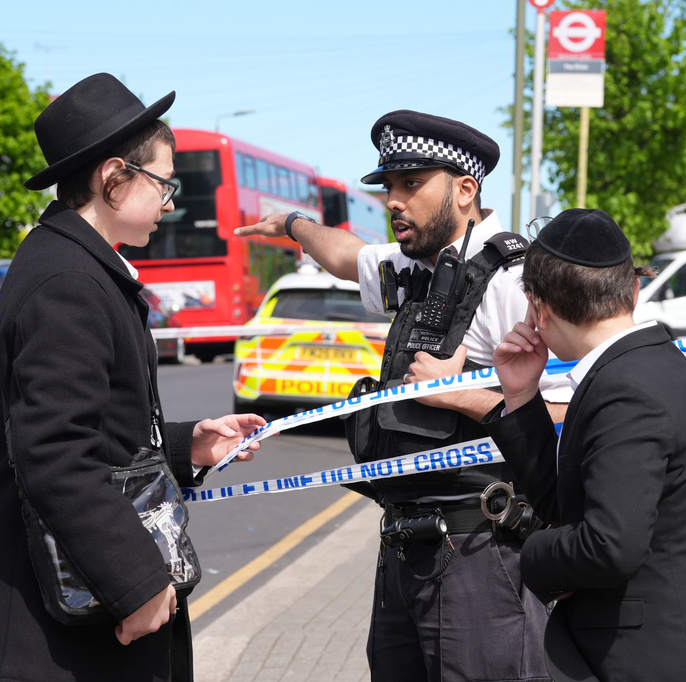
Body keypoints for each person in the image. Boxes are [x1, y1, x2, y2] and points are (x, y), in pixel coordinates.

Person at [0, 73, 266, 682]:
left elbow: (95, 425)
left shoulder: (79, 267)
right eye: (163, 182)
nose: (171, 202)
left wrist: (184, 444)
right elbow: (54, 452)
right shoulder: (67, 282)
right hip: (52, 636)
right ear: (114, 177)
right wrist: (139, 581)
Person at [236, 110, 570, 682]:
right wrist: (293, 224)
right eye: (389, 186)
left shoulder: (517, 283)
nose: (394, 200)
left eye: (412, 184)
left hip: (481, 551)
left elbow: (572, 411)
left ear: (465, 189)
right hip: (404, 548)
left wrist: (462, 395)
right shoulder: (417, 266)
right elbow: (343, 256)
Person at [483, 208, 686, 682]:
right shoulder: (646, 365)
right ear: (633, 291)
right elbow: (572, 508)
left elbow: (610, 545)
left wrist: (533, 555)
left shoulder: (624, 388)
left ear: (539, 308)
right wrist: (521, 396)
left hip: (661, 658)